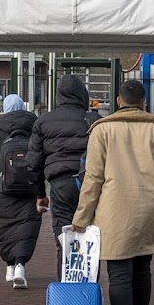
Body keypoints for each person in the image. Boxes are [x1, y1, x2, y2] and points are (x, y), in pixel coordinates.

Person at [71, 79, 154, 305]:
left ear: (118, 101)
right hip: (149, 208)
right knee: (142, 271)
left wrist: (81, 217)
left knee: (118, 275)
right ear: (144, 103)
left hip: (114, 210)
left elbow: (92, 177)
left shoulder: (103, 129)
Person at [27, 74, 99, 276]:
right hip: (91, 185)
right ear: (82, 94)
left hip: (61, 185)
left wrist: (40, 194)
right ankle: (89, 295)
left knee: (65, 242)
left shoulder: (44, 121)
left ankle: (67, 297)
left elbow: (33, 164)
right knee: (91, 241)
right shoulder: (94, 120)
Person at [0, 94, 42, 288]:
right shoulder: (35, 128)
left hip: (2, 188)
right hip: (30, 186)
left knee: (3, 225)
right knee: (27, 225)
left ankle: (9, 266)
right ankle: (20, 265)